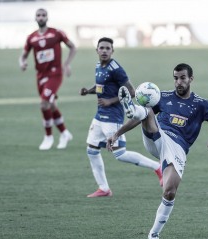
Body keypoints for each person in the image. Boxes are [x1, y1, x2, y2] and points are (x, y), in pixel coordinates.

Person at [107, 63, 208, 239]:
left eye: (182, 78)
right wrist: (117, 133)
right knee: (147, 107)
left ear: (191, 79)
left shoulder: (200, 104)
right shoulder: (161, 96)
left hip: (177, 148)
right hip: (158, 136)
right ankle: (133, 108)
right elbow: (142, 118)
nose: (178, 82)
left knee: (170, 192)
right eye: (175, 78)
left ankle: (153, 234)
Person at [80, 37, 163, 198]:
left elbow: (131, 92)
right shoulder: (99, 65)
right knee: (91, 150)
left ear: (112, 51)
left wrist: (110, 101)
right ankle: (104, 189)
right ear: (96, 50)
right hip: (99, 117)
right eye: (101, 48)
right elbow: (101, 86)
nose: (104, 51)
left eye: (107, 48)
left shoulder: (116, 69)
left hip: (113, 117)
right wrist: (88, 91)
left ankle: (157, 166)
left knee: (120, 154)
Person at [19, 8, 76, 150]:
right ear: (35, 18)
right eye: (38, 15)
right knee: (51, 105)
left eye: (43, 15)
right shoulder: (31, 37)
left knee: (43, 104)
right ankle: (64, 133)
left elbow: (72, 47)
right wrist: (22, 62)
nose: (41, 17)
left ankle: (48, 137)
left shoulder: (56, 33)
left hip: (55, 74)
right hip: (40, 76)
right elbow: (23, 55)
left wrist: (67, 64)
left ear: (47, 17)